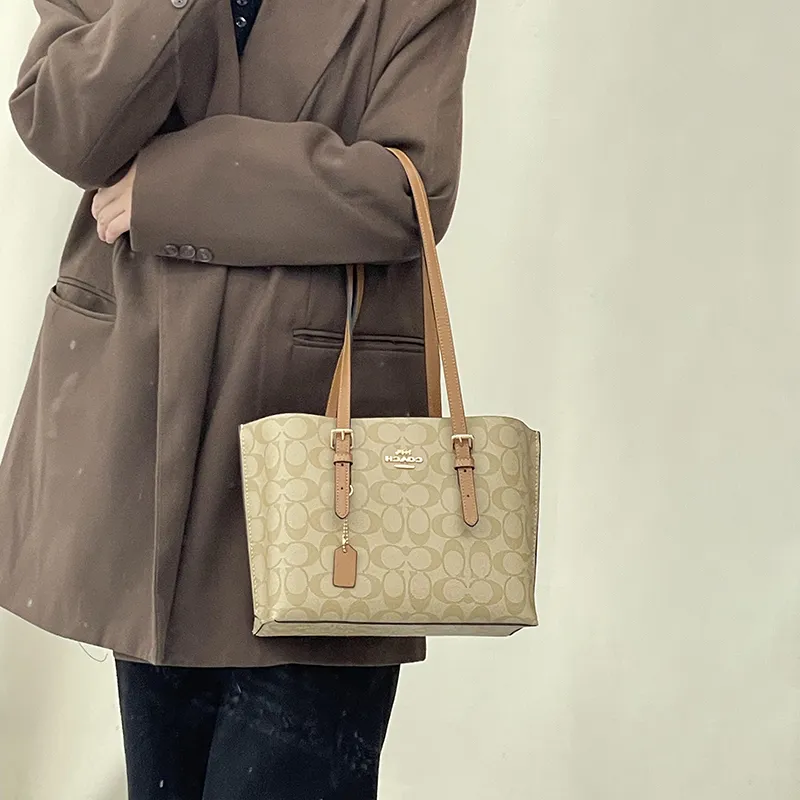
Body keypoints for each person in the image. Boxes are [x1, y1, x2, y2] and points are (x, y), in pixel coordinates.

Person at [0, 0, 476, 797]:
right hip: (143, 430)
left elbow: (410, 191)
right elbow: (65, 128)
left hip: (323, 459)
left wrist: (185, 181)